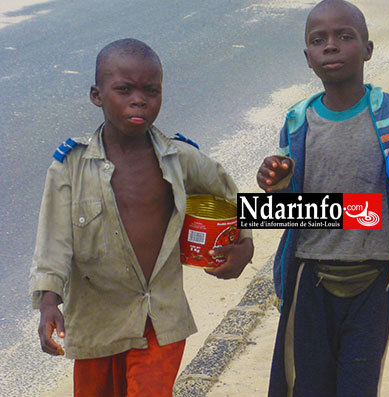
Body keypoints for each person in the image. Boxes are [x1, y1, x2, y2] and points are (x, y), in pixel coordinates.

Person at [255, 1, 389, 395]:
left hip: (374, 280)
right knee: (304, 385)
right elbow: (289, 205)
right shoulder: (297, 121)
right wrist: (275, 181)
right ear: (308, 58)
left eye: (345, 36)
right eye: (318, 40)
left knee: (358, 387)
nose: (331, 46)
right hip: (308, 276)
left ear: (368, 49)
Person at [29, 38, 254, 397]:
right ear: (97, 95)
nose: (139, 100)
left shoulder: (180, 158)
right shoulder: (68, 166)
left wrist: (246, 245)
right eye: (124, 89)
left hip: (159, 318)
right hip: (95, 318)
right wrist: (47, 302)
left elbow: (231, 195)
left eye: (151, 90)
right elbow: (53, 239)